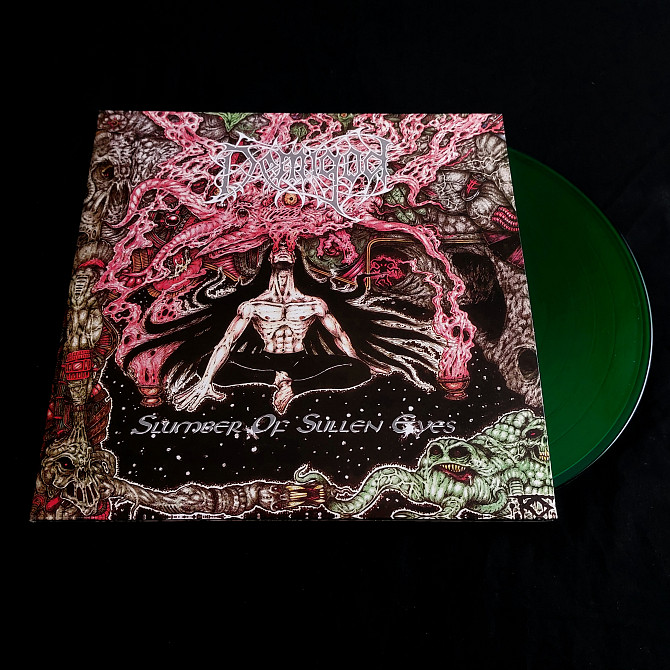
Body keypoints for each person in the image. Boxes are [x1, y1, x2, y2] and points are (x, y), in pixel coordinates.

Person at [173, 240, 377, 414]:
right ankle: (274, 378)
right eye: (278, 249)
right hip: (266, 361)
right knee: (205, 366)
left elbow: (339, 334)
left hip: (300, 361)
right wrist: (205, 381)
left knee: (359, 370)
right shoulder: (253, 305)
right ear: (270, 258)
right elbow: (227, 341)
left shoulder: (313, 304)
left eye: (288, 250)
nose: (283, 251)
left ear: (295, 259)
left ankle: (294, 388)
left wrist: (356, 362)